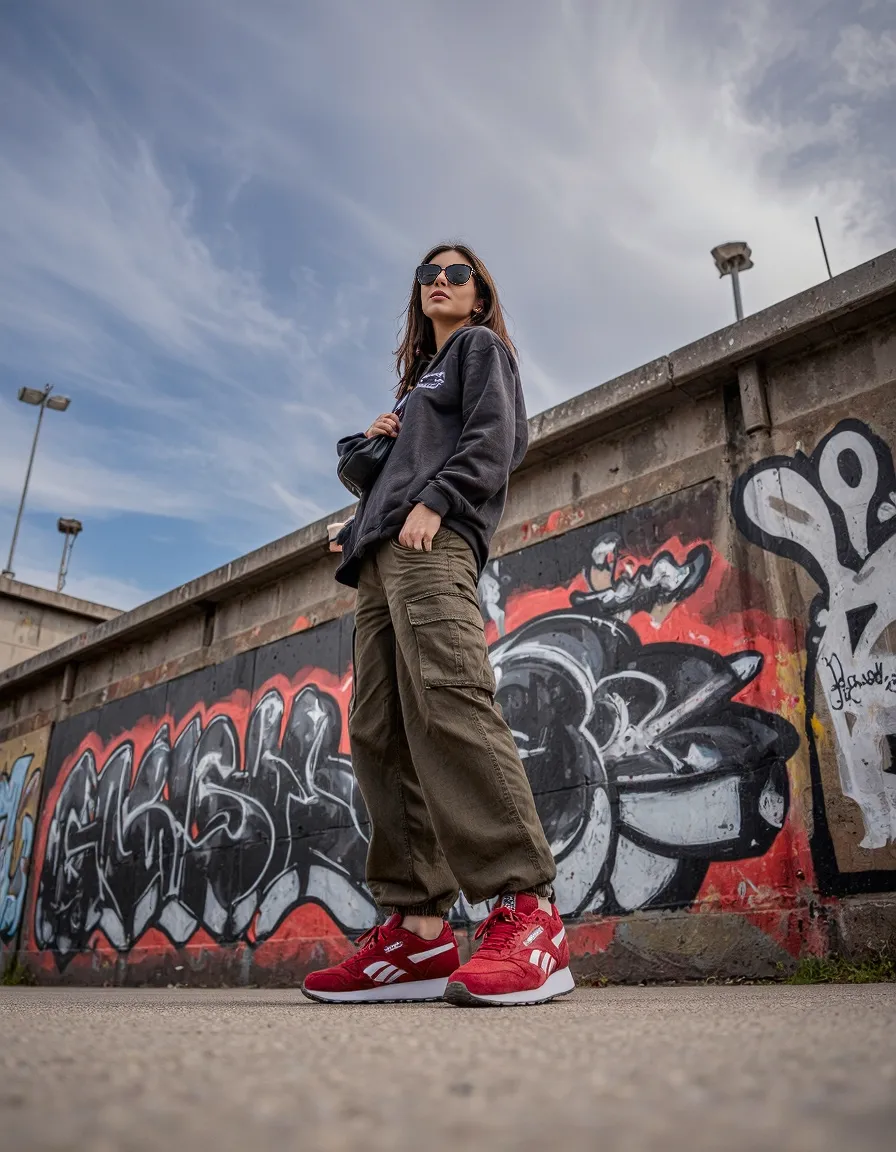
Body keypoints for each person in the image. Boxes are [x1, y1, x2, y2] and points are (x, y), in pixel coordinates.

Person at [302, 242, 572, 1007]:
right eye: (428, 275)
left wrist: (436, 499)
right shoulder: (418, 386)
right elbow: (406, 470)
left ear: (481, 292)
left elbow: (501, 436)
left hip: (431, 545)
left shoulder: (479, 350)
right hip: (381, 558)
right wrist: (372, 496)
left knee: (451, 703)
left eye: (457, 273)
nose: (440, 282)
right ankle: (419, 934)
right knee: (380, 732)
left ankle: (529, 911)